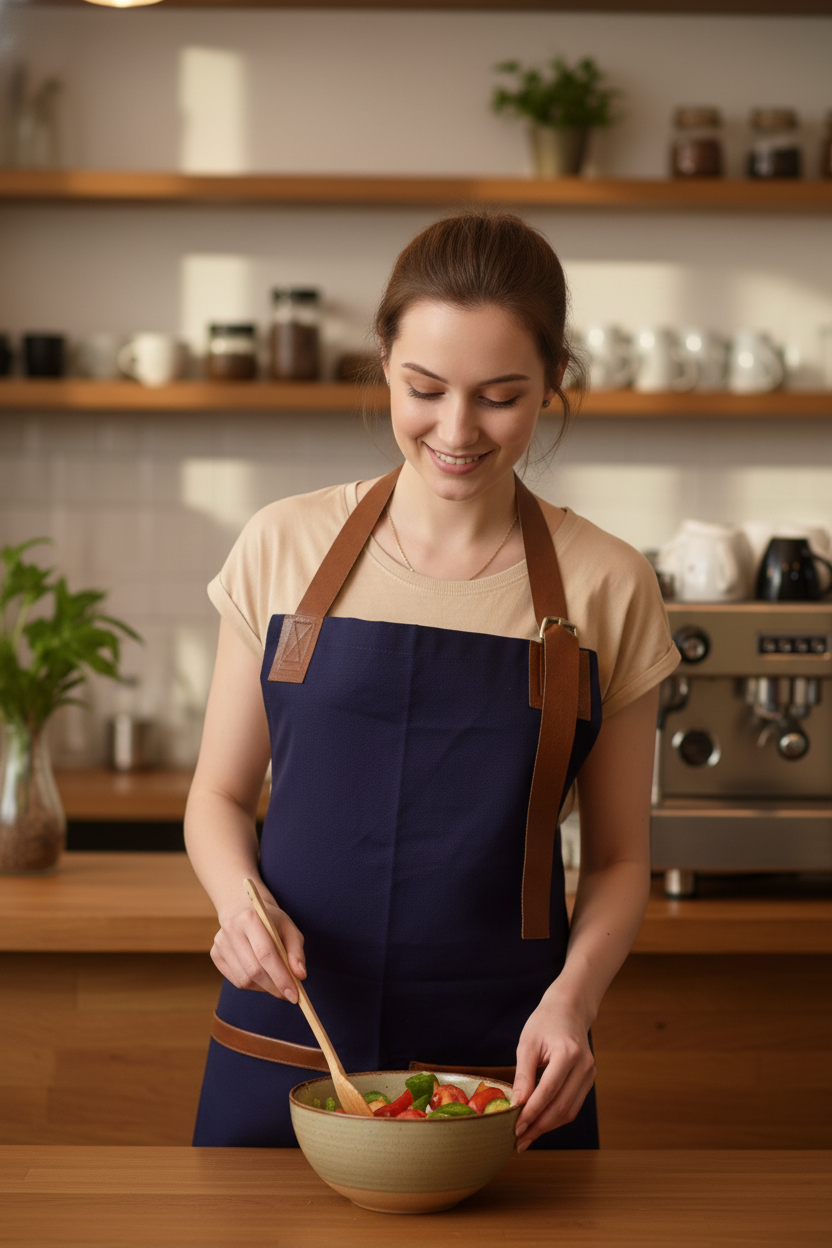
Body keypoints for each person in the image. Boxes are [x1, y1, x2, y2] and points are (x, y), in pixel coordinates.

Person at [185, 212, 679, 1151]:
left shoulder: (609, 584)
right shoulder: (282, 546)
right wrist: (236, 909)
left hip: (509, 1058)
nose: (456, 430)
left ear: (554, 383)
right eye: (425, 389)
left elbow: (617, 857)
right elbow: (215, 795)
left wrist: (572, 1005)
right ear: (384, 360)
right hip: (292, 1035)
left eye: (501, 396)